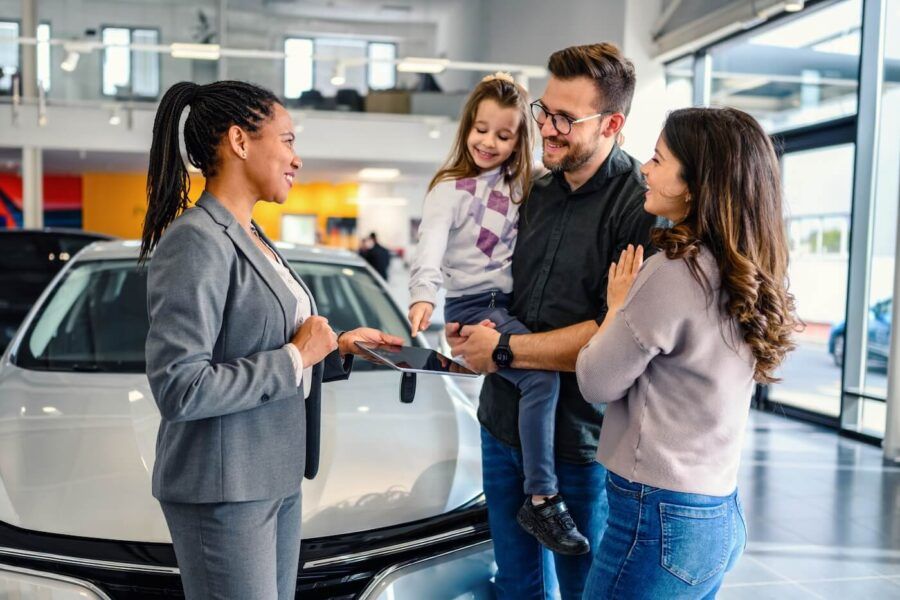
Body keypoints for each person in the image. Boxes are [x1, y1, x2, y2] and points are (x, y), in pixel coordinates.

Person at [141, 80, 403, 600]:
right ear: (240, 141)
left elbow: (260, 342)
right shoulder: (196, 240)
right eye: (287, 140)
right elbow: (180, 386)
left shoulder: (252, 235)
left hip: (272, 474)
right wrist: (294, 357)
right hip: (225, 486)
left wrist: (338, 346)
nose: (296, 158)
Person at [447, 44, 657, 600]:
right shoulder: (532, 192)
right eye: (545, 111)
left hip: (577, 440)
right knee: (515, 585)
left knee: (583, 587)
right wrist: (471, 326)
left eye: (566, 118)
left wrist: (504, 351)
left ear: (613, 123)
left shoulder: (638, 207)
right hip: (501, 422)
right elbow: (499, 289)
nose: (547, 128)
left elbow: (613, 336)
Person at [576, 107, 799, 598]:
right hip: (718, 512)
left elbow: (596, 381)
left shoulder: (673, 272)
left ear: (696, 185)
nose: (644, 170)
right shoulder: (752, 270)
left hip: (655, 519)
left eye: (657, 159)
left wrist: (615, 307)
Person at [407, 72, 589, 555]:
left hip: (503, 305)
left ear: (518, 140)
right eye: (481, 129)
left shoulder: (521, 182)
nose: (489, 141)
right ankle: (543, 496)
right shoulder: (449, 188)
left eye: (504, 134)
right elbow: (429, 249)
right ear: (467, 126)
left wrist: (517, 88)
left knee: (537, 381)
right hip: (473, 305)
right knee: (540, 380)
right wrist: (423, 296)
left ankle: (540, 493)